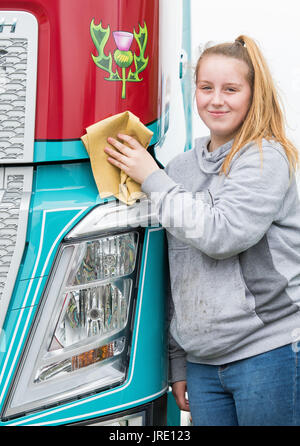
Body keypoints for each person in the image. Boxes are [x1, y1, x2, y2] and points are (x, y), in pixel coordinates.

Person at [104, 35, 300, 426]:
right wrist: (179, 362)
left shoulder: (266, 158)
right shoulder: (178, 170)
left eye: (231, 89)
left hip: (269, 352)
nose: (216, 100)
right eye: (206, 88)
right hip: (204, 366)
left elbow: (222, 236)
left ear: (252, 94)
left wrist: (151, 178)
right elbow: (178, 272)